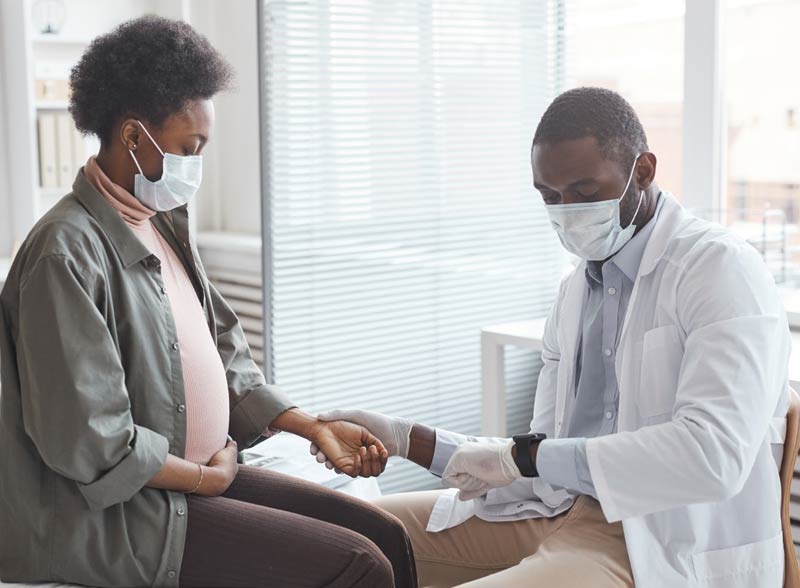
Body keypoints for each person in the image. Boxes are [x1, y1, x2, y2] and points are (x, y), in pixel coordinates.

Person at [313, 87, 793, 587]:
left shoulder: (719, 270)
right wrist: (405, 438)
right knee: (329, 539)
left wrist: (523, 457)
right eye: (550, 197)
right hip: (554, 509)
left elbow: (711, 457)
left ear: (644, 171)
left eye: (585, 193)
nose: (568, 212)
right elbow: (537, 457)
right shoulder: (574, 291)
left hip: (656, 540)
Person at [0, 16, 417, 588]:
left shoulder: (158, 223)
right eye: (188, 148)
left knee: (389, 535)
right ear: (132, 135)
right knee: (361, 566)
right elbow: (90, 440)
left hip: (196, 475)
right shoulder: (64, 254)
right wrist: (205, 479)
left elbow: (224, 354)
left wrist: (313, 427)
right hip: (125, 514)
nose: (194, 165)